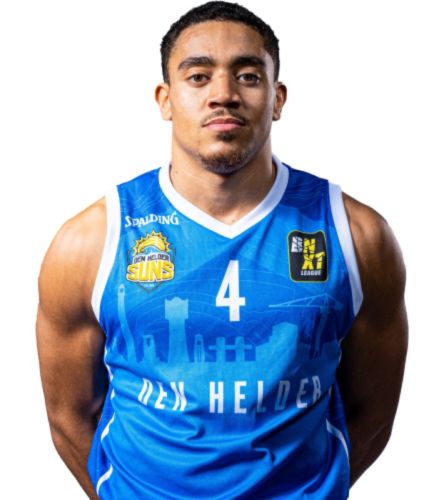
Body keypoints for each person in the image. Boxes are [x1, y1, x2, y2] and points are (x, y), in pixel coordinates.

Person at [36, 1, 408, 498]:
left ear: (277, 98)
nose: (224, 94)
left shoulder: (356, 235)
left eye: (248, 76)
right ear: (165, 99)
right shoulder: (91, 240)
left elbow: (373, 416)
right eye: (198, 77)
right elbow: (68, 417)